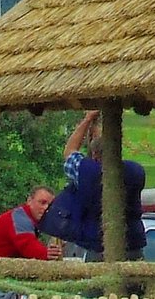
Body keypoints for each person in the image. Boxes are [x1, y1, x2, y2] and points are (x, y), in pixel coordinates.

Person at [41, 110, 147, 261]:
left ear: (95, 155)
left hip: (99, 246)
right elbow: (106, 151)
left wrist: (88, 119)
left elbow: (69, 151)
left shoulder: (87, 171)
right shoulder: (135, 171)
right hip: (133, 245)